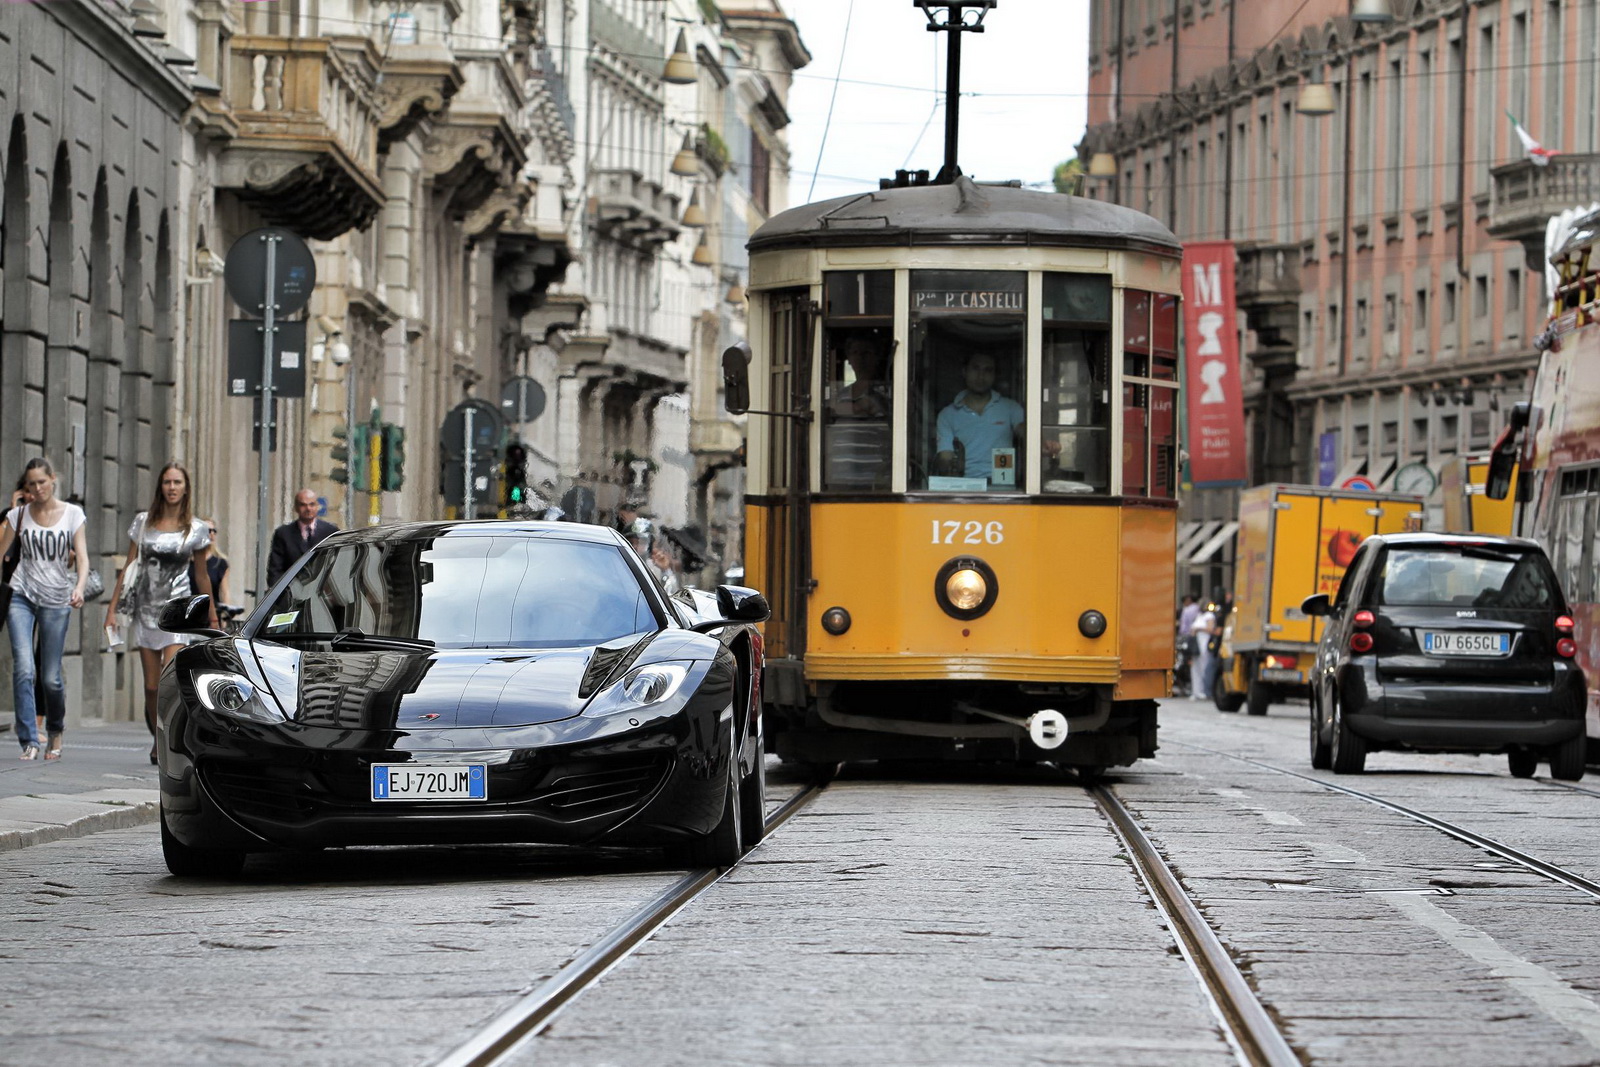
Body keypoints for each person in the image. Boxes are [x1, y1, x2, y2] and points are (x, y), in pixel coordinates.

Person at [105, 463, 218, 764]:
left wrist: (213, 614)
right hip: (145, 609)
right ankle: (156, 735)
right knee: (151, 686)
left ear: (185, 487)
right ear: (161, 487)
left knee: (169, 677)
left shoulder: (196, 528)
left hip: (176, 611)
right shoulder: (143, 522)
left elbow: (202, 575)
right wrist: (112, 609)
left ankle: (167, 741)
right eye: (167, 482)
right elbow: (129, 567)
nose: (172, 487)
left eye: (177, 482)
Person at [0, 459, 89, 761]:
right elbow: (2, 555)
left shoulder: (73, 514)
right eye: (31, 484)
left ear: (53, 479)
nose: (37, 489)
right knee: (24, 668)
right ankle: (29, 740)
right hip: (21, 595)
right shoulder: (18, 515)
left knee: (50, 677)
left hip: (56, 599)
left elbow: (84, 558)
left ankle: (55, 730)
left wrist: (78, 587)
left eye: (42, 482)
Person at [935, 352, 1033, 484]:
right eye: (975, 368)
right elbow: (945, 456)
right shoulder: (947, 415)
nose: (981, 376)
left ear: (995, 375)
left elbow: (1024, 431)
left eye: (988, 370)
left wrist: (1043, 443)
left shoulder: (1010, 408)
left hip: (1003, 487)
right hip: (964, 487)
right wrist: (948, 468)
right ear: (964, 372)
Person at [826, 334, 893, 490]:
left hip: (875, 478)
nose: (860, 358)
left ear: (877, 357)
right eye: (855, 353)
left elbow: (871, 408)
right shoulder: (841, 394)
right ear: (848, 359)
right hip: (840, 477)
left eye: (867, 353)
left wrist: (842, 409)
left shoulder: (888, 391)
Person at [267, 489, 338, 587]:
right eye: (303, 505)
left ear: (317, 506)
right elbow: (275, 569)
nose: (308, 508)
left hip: (324, 594)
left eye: (312, 504)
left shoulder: (331, 532)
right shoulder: (283, 534)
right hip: (292, 593)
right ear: (296, 508)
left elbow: (339, 565)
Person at [1189, 601, 1218, 703]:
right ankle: (1195, 691)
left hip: (1204, 643)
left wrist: (1198, 629)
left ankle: (1203, 690)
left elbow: (1210, 629)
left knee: (1203, 667)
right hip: (1196, 645)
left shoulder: (1209, 616)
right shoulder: (1199, 616)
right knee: (1195, 668)